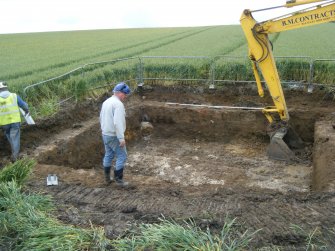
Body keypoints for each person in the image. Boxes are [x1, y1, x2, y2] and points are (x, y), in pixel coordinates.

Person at [100, 82, 131, 186]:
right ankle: (119, 180)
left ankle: (107, 178)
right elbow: (117, 122)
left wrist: (104, 131)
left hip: (105, 134)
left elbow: (101, 118)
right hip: (114, 135)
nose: (125, 97)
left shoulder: (106, 102)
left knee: (108, 154)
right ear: (120, 93)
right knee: (122, 155)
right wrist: (121, 138)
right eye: (125, 94)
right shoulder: (118, 104)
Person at [0, 81, 29, 162]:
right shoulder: (14, 96)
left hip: (4, 123)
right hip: (15, 121)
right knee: (15, 138)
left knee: (10, 136)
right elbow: (24, 105)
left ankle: (14, 152)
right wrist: (26, 111)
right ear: (6, 88)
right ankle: (15, 157)